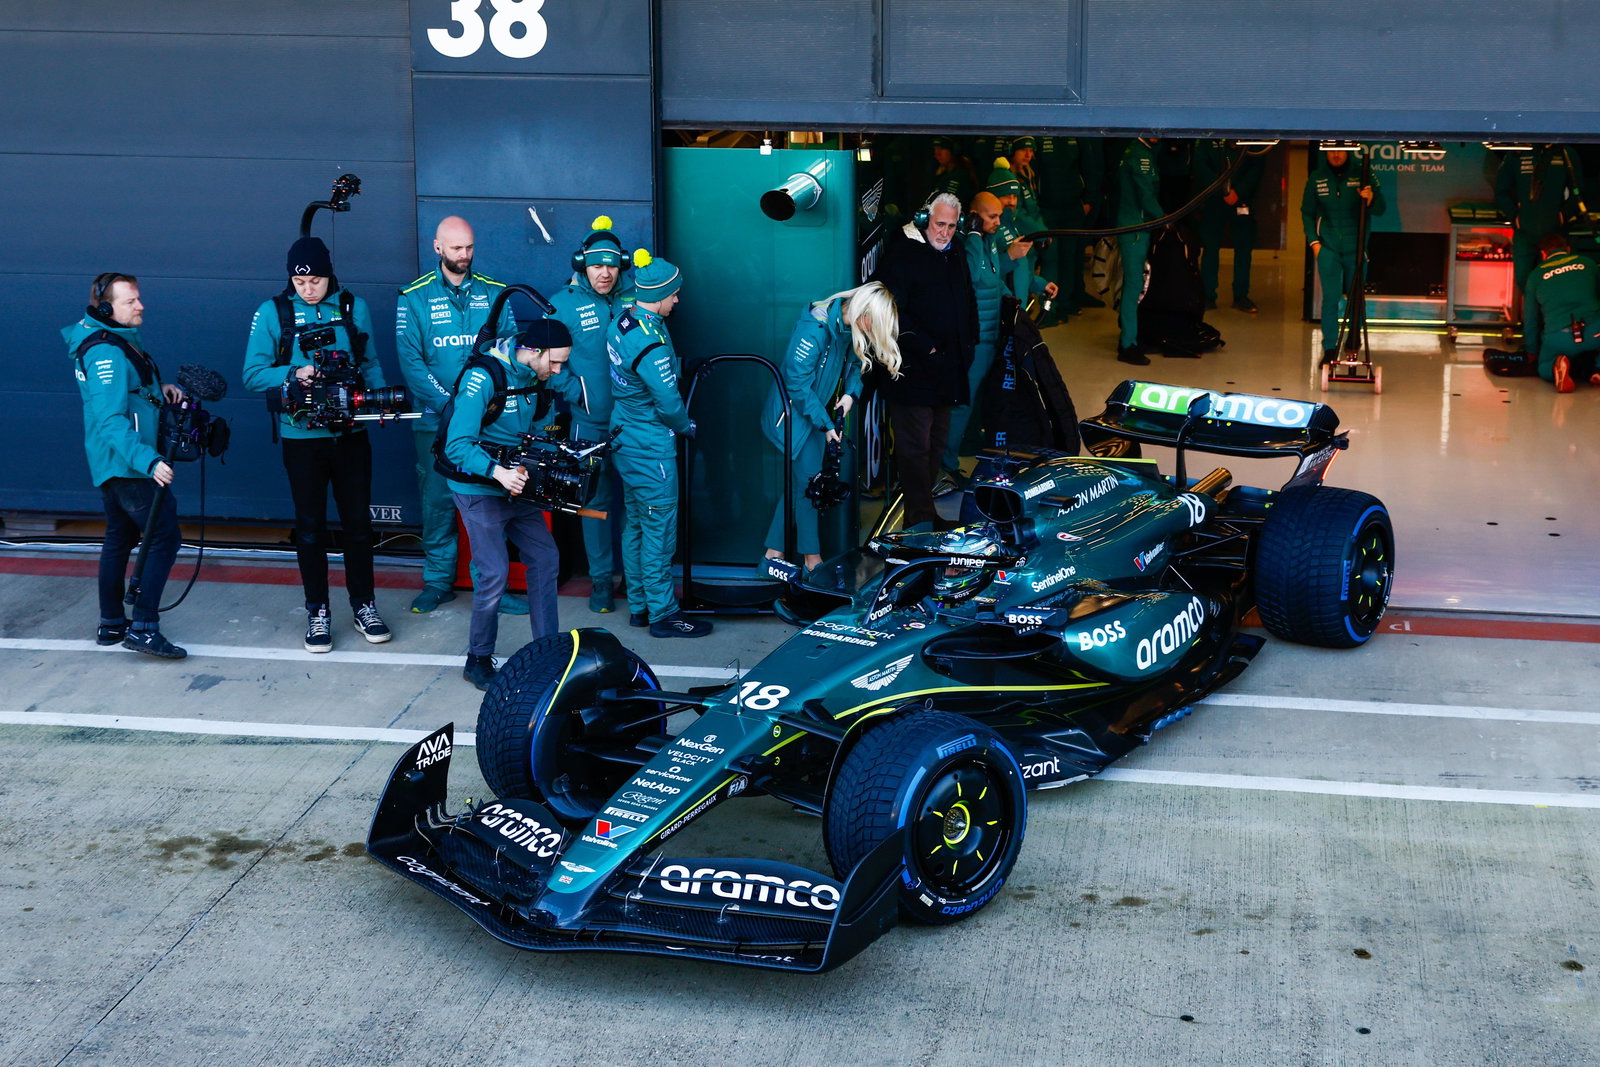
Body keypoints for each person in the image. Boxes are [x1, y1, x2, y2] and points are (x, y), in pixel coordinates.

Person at [242, 236, 392, 653]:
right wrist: (295, 373)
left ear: (329, 274)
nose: (308, 289)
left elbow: (371, 362)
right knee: (309, 529)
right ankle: (318, 611)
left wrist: (378, 402)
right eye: (299, 281)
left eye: (316, 280)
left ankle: (364, 605)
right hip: (302, 437)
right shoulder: (273, 312)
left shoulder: (352, 307)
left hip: (350, 435)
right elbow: (252, 374)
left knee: (359, 527)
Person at [394, 215, 515, 615]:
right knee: (438, 502)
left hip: (488, 421)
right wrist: (454, 407)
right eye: (456, 248)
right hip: (435, 420)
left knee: (490, 504)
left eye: (469, 247)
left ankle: (492, 584)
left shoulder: (496, 293)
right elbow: (412, 363)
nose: (464, 255)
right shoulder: (413, 297)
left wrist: (476, 410)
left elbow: (510, 354)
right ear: (437, 248)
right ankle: (438, 582)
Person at [442, 320, 571, 688]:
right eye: (556, 363)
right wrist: (498, 473)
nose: (558, 371)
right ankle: (478, 658)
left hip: (516, 484)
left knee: (546, 559)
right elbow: (457, 446)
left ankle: (547, 651)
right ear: (533, 352)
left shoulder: (539, 379)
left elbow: (541, 433)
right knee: (494, 571)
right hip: (478, 486)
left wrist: (549, 463)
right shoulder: (483, 377)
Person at [65, 273, 187, 659]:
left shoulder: (116, 340)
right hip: (126, 462)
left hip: (113, 459)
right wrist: (148, 460)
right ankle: (145, 627)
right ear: (106, 309)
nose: (140, 305)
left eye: (138, 298)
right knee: (164, 536)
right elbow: (111, 419)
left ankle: (111, 623)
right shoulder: (106, 352)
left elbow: (127, 393)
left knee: (119, 536)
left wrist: (158, 389)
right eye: (131, 301)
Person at [760, 282, 901, 574]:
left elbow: (855, 366)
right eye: (875, 326)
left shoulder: (848, 327)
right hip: (793, 418)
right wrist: (826, 425)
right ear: (864, 316)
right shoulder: (815, 329)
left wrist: (850, 394)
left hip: (814, 414)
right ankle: (812, 562)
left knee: (803, 485)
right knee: (811, 486)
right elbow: (797, 385)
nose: (875, 334)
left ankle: (772, 557)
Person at [606, 249, 711, 638]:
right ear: (660, 294)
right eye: (675, 294)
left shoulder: (624, 319)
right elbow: (667, 402)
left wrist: (681, 364)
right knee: (659, 531)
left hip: (625, 438)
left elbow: (640, 372)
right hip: (651, 448)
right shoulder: (650, 340)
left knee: (635, 522)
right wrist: (687, 426)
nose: (678, 300)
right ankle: (664, 615)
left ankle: (639, 605)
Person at [871, 192, 978, 529]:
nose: (944, 232)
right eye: (939, 224)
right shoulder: (903, 253)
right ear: (923, 221)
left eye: (950, 225)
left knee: (935, 443)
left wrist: (968, 343)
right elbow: (890, 309)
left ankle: (924, 515)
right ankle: (918, 522)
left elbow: (966, 294)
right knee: (915, 448)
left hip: (947, 369)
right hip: (912, 372)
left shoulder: (955, 249)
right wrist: (928, 347)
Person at [545, 217, 635, 614]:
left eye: (612, 264)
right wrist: (577, 395)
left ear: (622, 265)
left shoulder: (638, 296)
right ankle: (601, 581)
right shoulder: (561, 302)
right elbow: (546, 364)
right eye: (597, 264)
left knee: (637, 500)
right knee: (594, 504)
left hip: (634, 422)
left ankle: (635, 577)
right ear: (582, 263)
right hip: (590, 422)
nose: (605, 272)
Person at [941, 191, 1056, 480]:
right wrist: (977, 235)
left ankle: (965, 444)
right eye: (992, 217)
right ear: (975, 216)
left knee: (979, 398)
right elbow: (976, 277)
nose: (998, 221)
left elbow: (993, 280)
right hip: (975, 339)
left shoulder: (990, 242)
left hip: (992, 336)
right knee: (962, 403)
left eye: (999, 216)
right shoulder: (969, 243)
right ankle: (946, 464)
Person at [1301, 148, 1385, 362]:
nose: (1336, 155)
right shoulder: (1317, 177)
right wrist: (1314, 242)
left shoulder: (1363, 174)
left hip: (1356, 249)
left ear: (1348, 151)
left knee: (1355, 299)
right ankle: (1329, 349)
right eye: (1331, 151)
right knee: (1330, 300)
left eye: (1340, 151)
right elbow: (1307, 211)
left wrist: (1371, 198)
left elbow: (1381, 208)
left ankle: (1353, 341)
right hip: (1327, 248)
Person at [1495, 144, 1584, 296]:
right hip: (1525, 232)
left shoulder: (1566, 153)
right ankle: (1530, 319)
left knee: (1557, 282)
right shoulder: (1518, 152)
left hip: (1555, 234)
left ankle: (1552, 319)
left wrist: (1563, 216)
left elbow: (1579, 191)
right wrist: (1515, 216)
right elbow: (1501, 190)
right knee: (1524, 283)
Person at [1192, 139, 1267, 313]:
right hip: (1213, 201)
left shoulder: (1249, 135)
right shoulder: (1208, 136)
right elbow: (1200, 165)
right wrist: (1222, 191)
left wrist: (1239, 192)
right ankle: (1208, 296)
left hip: (1241, 201)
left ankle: (1241, 296)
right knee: (1210, 248)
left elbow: (1257, 165)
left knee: (1243, 249)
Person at [1522, 233, 1600, 392]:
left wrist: (1531, 351)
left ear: (1543, 254)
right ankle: (1598, 369)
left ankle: (1556, 366)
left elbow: (1530, 318)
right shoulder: (1588, 263)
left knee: (1543, 366)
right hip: (1595, 332)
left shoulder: (1536, 275)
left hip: (1560, 337)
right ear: (1568, 249)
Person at [1114, 137, 1162, 365]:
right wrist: (1166, 220)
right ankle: (1128, 345)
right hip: (1135, 228)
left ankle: (1130, 337)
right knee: (1134, 286)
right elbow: (1145, 195)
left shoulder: (1136, 150)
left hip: (1134, 225)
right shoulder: (1140, 155)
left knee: (1134, 286)